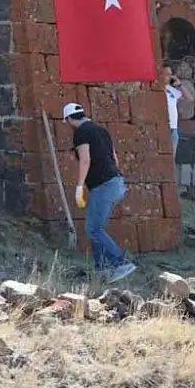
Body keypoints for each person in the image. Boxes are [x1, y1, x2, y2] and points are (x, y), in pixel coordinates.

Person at [63, 102, 137, 284]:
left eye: (66, 121)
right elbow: (115, 158)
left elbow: (85, 161)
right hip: (116, 182)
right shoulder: (102, 130)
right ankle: (101, 270)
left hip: (103, 186)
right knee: (95, 227)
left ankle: (121, 262)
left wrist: (79, 188)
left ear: (69, 119)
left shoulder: (81, 132)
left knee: (93, 229)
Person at [165, 65, 194, 160]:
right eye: (167, 74)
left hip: (174, 129)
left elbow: (189, 98)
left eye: (170, 74)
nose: (169, 77)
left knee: (171, 159)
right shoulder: (159, 89)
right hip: (165, 127)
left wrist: (179, 85)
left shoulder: (171, 89)